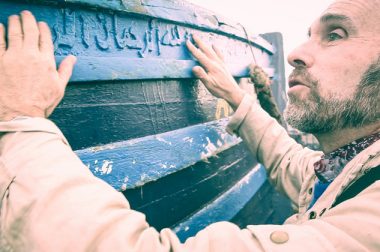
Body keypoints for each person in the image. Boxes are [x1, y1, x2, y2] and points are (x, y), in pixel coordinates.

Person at [0, 0, 379, 250]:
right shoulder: (352, 167)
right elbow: (291, 162)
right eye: (309, 35)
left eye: (335, 35)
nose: (295, 53)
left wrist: (21, 119)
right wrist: (237, 98)